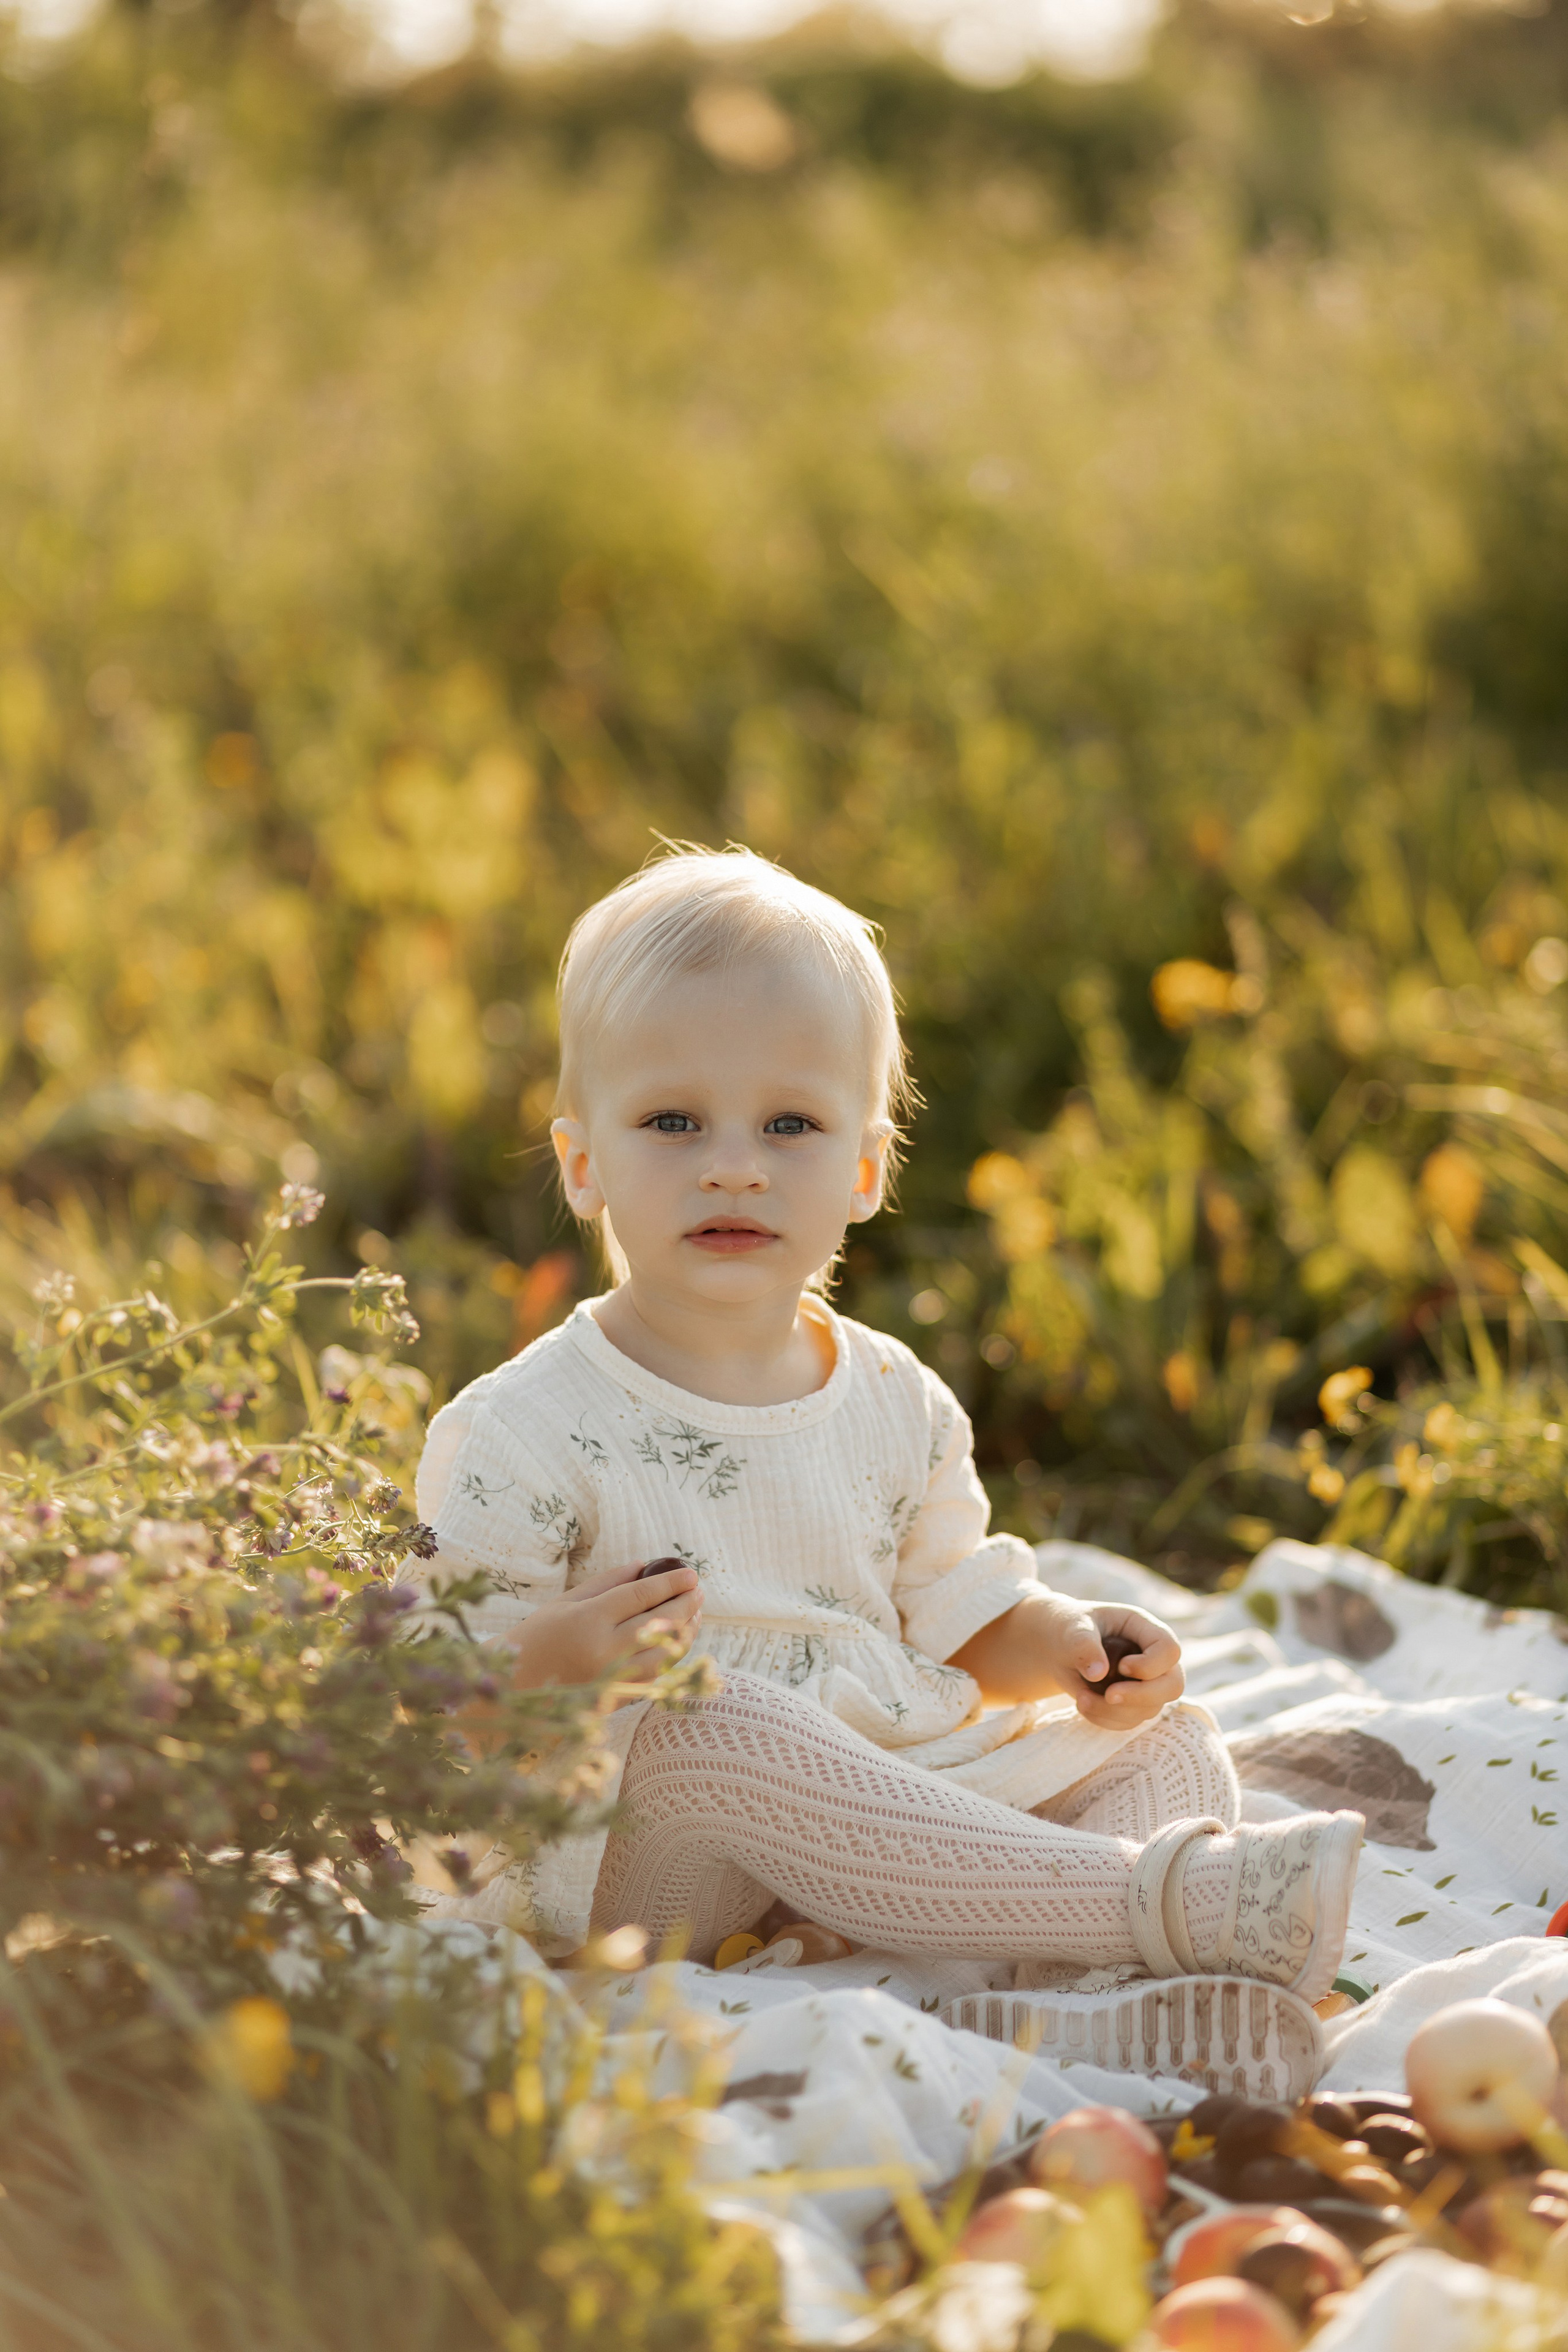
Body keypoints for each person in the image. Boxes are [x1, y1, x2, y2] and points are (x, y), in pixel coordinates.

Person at [396, 847, 1360, 2076]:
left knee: (1164, 1745)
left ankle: (1096, 2008)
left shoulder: (896, 1399)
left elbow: (957, 1618)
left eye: (789, 1124)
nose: (733, 1163)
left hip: (882, 1812)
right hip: (649, 1860)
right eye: (672, 1121)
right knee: (705, 1719)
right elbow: (426, 1694)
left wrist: (1068, 1645)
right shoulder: (526, 1427)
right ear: (584, 1163)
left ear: (862, 1171)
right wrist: (561, 1661)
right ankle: (1159, 1908)